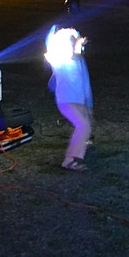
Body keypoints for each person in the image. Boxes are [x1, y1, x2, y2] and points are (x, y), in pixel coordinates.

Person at [44, 26, 93, 171]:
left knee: (85, 125)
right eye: (74, 43)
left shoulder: (79, 62)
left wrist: (88, 103)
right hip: (66, 102)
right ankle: (69, 160)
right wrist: (56, 35)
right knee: (83, 126)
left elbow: (85, 83)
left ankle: (81, 142)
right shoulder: (61, 61)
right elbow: (51, 52)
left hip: (79, 101)